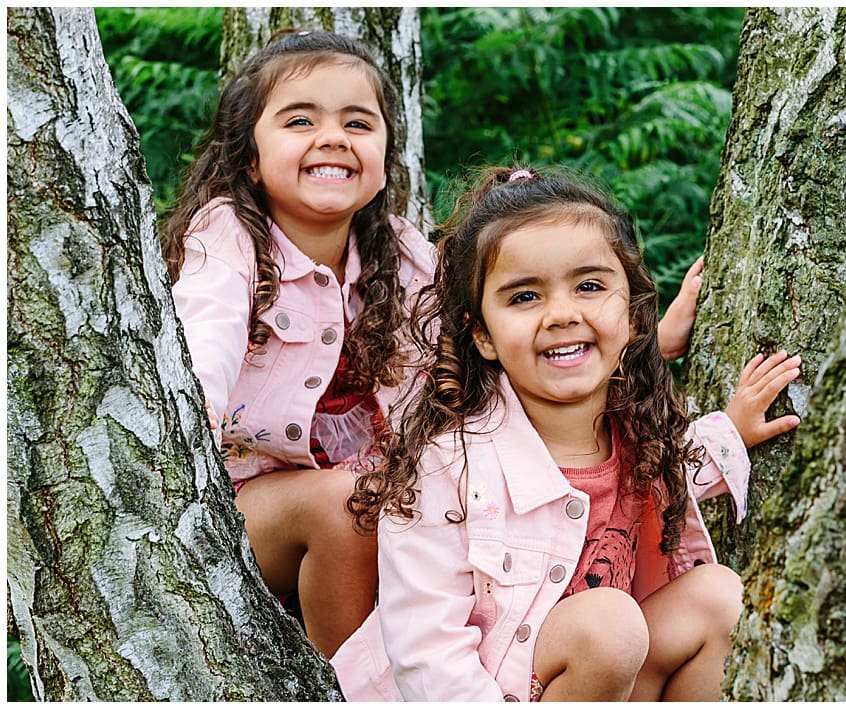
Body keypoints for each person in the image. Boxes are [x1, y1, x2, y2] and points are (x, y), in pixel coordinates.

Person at [334, 165, 802, 700]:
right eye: (524, 297)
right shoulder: (448, 465)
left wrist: (733, 432)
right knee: (607, 625)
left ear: (633, 315)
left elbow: (680, 469)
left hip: (594, 675)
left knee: (721, 597)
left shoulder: (635, 432)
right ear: (482, 333)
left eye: (589, 285)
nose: (561, 314)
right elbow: (427, 655)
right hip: (481, 694)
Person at [161, 29, 437, 657]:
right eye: (300, 120)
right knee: (346, 504)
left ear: (385, 155)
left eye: (358, 123)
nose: (334, 136)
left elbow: (482, 357)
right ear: (250, 159)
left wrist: (653, 343)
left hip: (381, 512)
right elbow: (206, 339)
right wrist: (194, 411)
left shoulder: (402, 253)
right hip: (245, 509)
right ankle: (350, 689)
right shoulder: (229, 237)